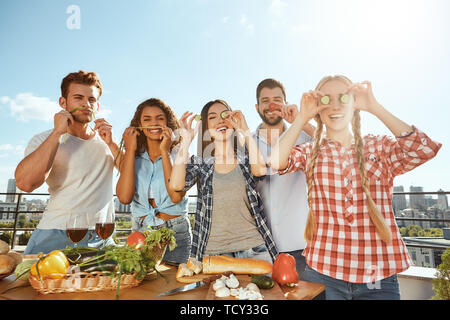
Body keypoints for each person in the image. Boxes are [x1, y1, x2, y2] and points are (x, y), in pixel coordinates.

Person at [269, 75, 442, 299]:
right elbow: (275, 161)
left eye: (343, 97)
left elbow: (424, 149)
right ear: (318, 111)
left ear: (354, 105)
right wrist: (301, 117)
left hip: (378, 279)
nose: (334, 105)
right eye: (325, 100)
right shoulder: (311, 151)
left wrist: (374, 106)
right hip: (323, 274)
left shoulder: (379, 146)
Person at [16, 70, 120, 254]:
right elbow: (26, 183)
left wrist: (112, 143)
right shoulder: (43, 139)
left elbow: (132, 174)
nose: (86, 104)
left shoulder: (107, 141)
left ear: (97, 105)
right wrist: (57, 133)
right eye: (78, 97)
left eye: (91, 99)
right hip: (55, 235)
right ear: (63, 102)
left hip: (101, 237)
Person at [169, 100, 278, 264]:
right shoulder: (201, 163)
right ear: (207, 128)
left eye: (225, 115)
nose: (220, 120)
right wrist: (186, 140)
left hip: (254, 249)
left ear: (233, 121)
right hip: (215, 253)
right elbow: (176, 185)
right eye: (212, 117)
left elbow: (260, 170)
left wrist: (245, 131)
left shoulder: (246, 159)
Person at [115, 98, 192, 264]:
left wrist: (165, 151)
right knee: (141, 286)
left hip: (175, 233)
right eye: (147, 119)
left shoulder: (179, 152)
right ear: (139, 126)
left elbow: (176, 197)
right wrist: (129, 149)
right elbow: (124, 198)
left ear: (168, 123)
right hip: (140, 232)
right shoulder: (133, 157)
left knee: (176, 286)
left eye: (160, 118)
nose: (153, 124)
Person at [252, 78, 315, 279]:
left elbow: (335, 144)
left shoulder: (303, 137)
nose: (272, 105)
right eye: (265, 100)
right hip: (259, 248)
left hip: (300, 244)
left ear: (286, 103)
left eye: (278, 99)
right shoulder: (246, 143)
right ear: (257, 107)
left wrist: (302, 121)